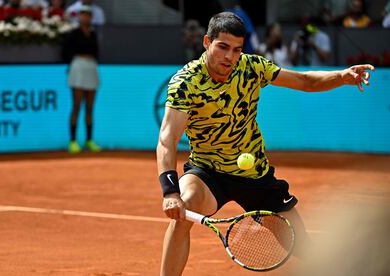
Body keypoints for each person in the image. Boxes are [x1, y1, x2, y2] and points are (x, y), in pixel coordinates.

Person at [156, 12, 374, 276]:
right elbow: (167, 139)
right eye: (222, 47)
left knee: (300, 244)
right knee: (185, 209)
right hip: (207, 171)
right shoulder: (185, 83)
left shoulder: (251, 67)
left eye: (236, 50)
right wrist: (170, 192)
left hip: (255, 174)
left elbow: (304, 81)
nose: (229, 57)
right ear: (207, 42)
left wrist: (342, 77)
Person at [62, 4, 101, 153]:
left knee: (90, 108)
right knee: (77, 106)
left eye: (88, 14)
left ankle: (89, 140)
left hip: (91, 68)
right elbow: (66, 53)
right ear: (79, 16)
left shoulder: (93, 34)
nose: (85, 17)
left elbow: (97, 53)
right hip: (78, 68)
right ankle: (72, 141)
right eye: (83, 14)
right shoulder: (73, 34)